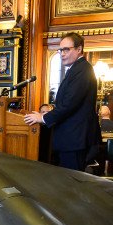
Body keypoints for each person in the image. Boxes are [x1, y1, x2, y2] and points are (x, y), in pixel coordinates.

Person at [24, 32, 97, 171]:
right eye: (60, 50)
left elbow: (69, 104)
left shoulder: (83, 70)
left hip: (75, 140)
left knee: (71, 185)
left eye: (66, 49)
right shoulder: (76, 69)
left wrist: (43, 117)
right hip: (71, 139)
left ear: (79, 49)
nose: (62, 53)